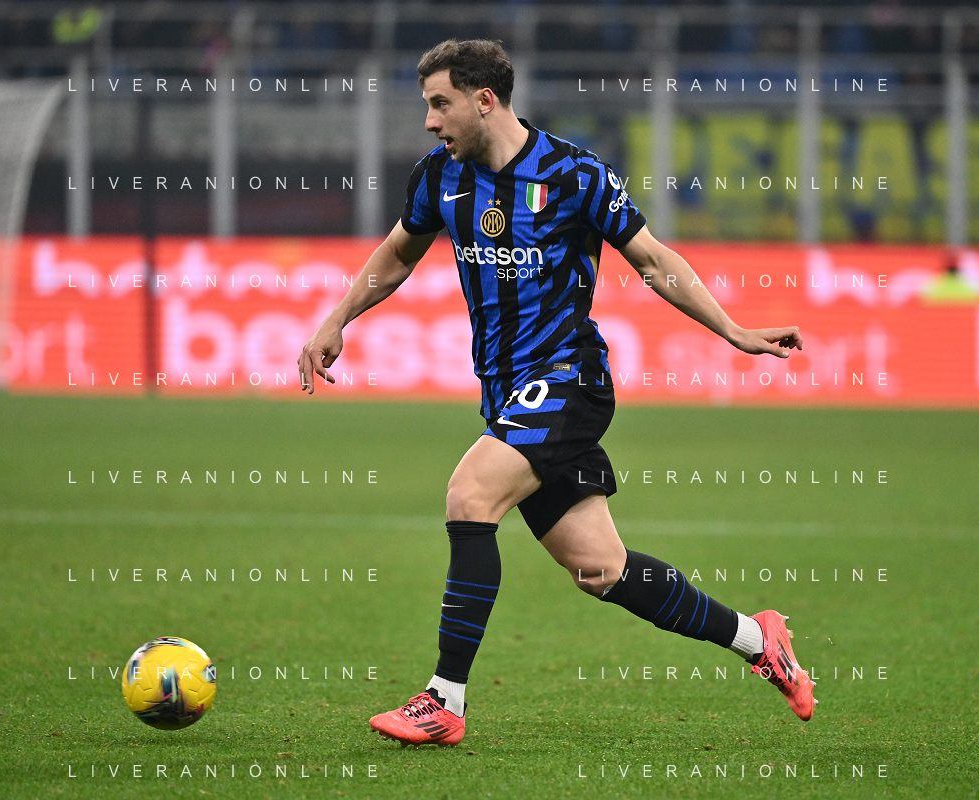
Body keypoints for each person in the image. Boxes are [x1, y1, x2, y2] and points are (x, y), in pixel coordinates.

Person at [297, 39, 815, 748]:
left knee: (469, 496)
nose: (429, 120)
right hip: (506, 392)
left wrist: (732, 329)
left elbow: (652, 259)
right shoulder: (439, 177)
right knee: (601, 570)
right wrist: (337, 317)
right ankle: (760, 640)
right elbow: (396, 254)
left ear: (484, 100)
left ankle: (444, 700)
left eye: (440, 103)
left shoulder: (574, 174)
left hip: (569, 380)